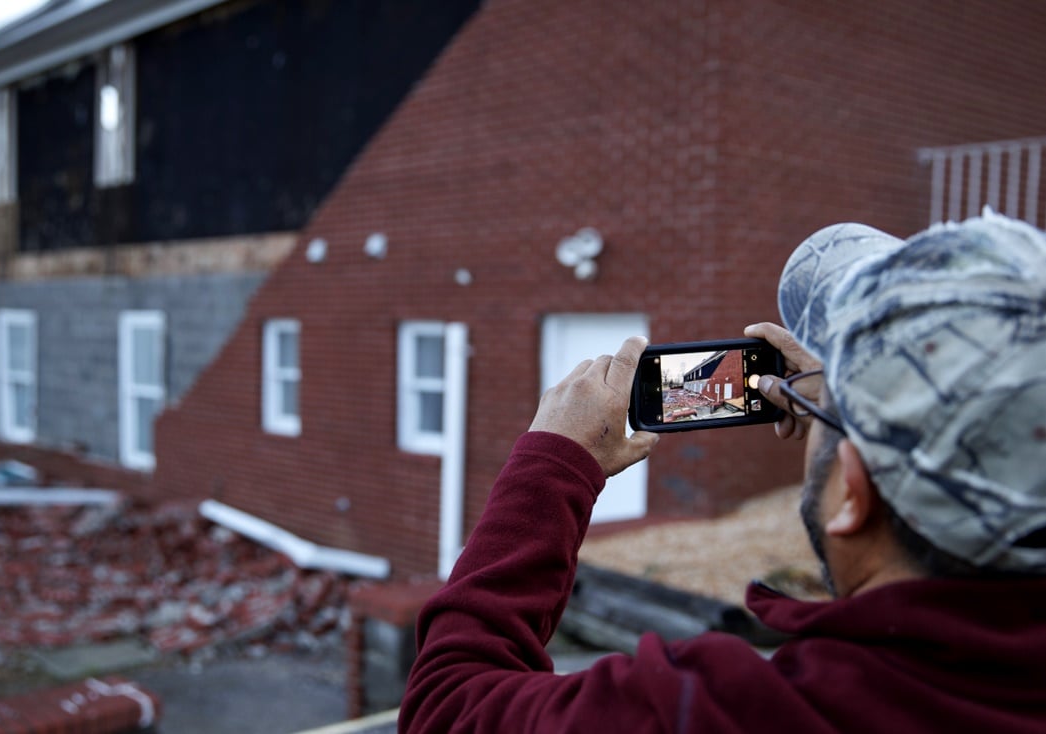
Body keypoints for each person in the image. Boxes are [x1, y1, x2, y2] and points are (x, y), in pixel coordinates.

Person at [398, 209, 1046, 733]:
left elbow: (446, 708)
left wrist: (549, 465)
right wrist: (832, 399)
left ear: (852, 493)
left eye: (832, 414)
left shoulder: (727, 711)